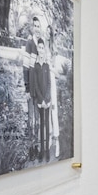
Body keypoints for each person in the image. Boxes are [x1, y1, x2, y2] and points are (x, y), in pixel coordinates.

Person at [30, 38, 52, 162]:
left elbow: (48, 83)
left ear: (44, 49)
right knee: (42, 126)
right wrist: (41, 99)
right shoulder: (36, 65)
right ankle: (42, 151)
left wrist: (46, 98)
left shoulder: (47, 65)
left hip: (47, 100)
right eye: (39, 48)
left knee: (47, 125)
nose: (41, 50)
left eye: (43, 47)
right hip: (40, 100)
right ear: (37, 49)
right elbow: (36, 85)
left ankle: (47, 151)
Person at [23, 17, 41, 153]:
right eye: (35, 26)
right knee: (31, 117)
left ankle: (37, 145)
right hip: (31, 87)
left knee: (37, 115)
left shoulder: (40, 45)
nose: (37, 28)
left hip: (38, 88)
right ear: (32, 27)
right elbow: (25, 67)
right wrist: (27, 88)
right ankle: (31, 149)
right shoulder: (29, 44)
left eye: (39, 26)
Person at [45, 25, 60, 158]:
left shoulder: (53, 49)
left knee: (53, 107)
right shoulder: (43, 47)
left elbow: (55, 70)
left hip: (51, 79)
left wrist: (51, 70)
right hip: (45, 78)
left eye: (48, 33)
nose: (47, 35)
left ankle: (56, 136)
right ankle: (50, 134)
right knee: (48, 106)